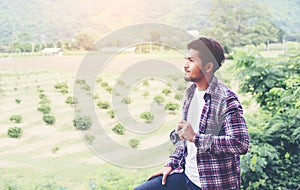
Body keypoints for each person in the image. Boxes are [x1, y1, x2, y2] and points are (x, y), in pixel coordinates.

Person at [134, 37, 250, 190]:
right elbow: (185, 140)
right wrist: (171, 164)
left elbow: (240, 143)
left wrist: (196, 138)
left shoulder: (226, 99)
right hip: (186, 175)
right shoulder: (191, 93)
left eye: (191, 61)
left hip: (211, 184)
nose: (185, 66)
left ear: (208, 67)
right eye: (186, 59)